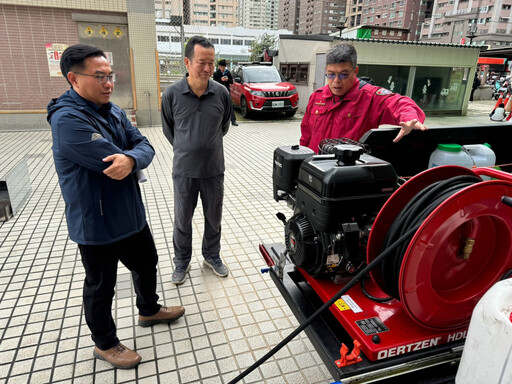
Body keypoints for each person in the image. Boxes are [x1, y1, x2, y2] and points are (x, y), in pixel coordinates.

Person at [47, 44, 185, 369]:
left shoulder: (113, 110)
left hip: (130, 213)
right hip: (97, 222)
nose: (109, 83)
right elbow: (111, 161)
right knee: (101, 287)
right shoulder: (69, 120)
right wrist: (130, 155)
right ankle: (105, 344)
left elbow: (144, 146)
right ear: (73, 78)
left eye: (110, 76)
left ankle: (149, 309)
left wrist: (133, 157)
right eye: (100, 77)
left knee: (147, 262)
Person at [161, 36, 231, 285]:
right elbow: (169, 130)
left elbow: (223, 127)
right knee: (183, 219)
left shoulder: (221, 93)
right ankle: (181, 261)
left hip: (214, 170)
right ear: (187, 62)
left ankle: (212, 255)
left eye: (211, 63)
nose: (208, 68)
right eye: (202, 62)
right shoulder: (171, 94)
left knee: (214, 217)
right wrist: (188, 148)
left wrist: (204, 146)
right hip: (184, 171)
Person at [300, 44, 427, 153]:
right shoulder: (317, 97)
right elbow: (306, 135)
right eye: (331, 74)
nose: (336, 81)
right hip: (315, 168)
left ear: (355, 71)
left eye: (343, 74)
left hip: (347, 172)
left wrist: (409, 118)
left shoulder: (370, 97)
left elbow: (400, 103)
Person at [213, 59, 238, 126]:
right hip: (219, 92)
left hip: (227, 91)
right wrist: (221, 80)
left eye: (224, 67)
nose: (223, 69)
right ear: (219, 66)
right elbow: (214, 83)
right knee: (219, 107)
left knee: (230, 105)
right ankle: (219, 121)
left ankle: (233, 121)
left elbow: (231, 82)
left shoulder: (228, 73)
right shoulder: (216, 74)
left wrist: (227, 79)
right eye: (221, 67)